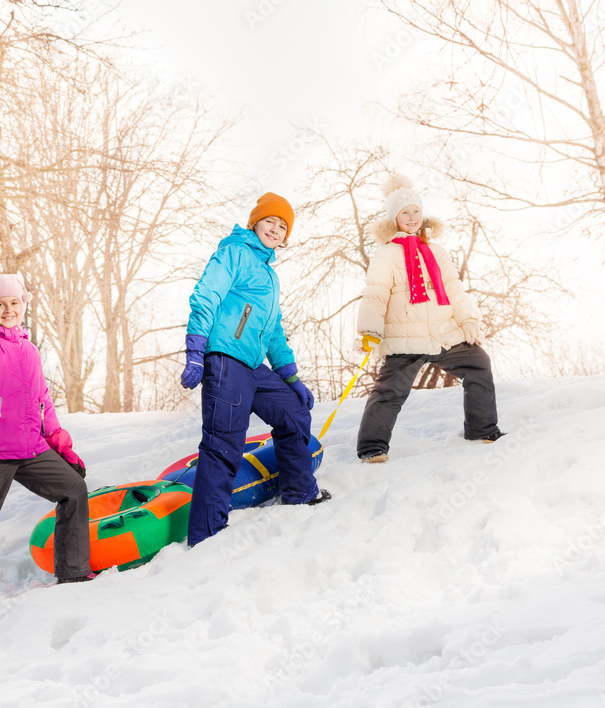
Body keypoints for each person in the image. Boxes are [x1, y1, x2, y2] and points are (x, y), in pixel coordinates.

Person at [181, 192, 330, 547]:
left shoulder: (269, 275)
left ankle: (299, 492)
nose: (276, 229)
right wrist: (196, 349)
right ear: (255, 223)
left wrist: (290, 375)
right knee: (223, 444)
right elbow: (206, 294)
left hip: (253, 365)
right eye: (270, 222)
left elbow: (274, 329)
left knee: (294, 415)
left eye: (283, 226)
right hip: (226, 359)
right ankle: (207, 533)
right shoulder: (234, 251)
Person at [0, 274, 93, 623]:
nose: (8, 310)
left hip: (31, 448)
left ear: (23, 305)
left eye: (14, 303)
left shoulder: (29, 349)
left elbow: (43, 401)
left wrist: (60, 444)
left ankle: (72, 570)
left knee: (74, 489)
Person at [356, 175, 504, 463]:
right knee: (390, 391)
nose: (411, 217)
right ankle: (372, 447)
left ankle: (482, 429)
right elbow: (375, 294)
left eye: (415, 211)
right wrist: (370, 330)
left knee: (478, 364)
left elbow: (454, 289)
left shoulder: (436, 251)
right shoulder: (387, 254)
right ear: (394, 218)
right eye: (404, 213)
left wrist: (468, 320)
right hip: (405, 336)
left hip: (444, 332)